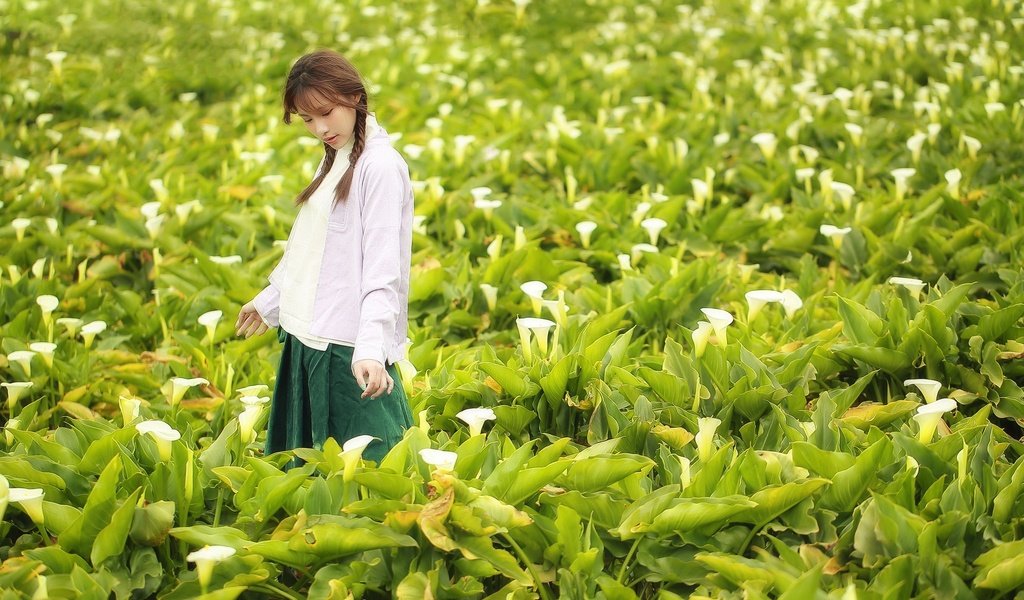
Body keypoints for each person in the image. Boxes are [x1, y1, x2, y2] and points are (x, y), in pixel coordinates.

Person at [234, 49, 414, 467]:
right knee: (313, 479)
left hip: (346, 348)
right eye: (307, 120)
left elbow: (383, 271)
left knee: (377, 473)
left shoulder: (380, 167)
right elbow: (314, 248)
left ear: (354, 96)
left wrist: (371, 348)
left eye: (326, 112)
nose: (319, 128)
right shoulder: (338, 156)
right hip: (308, 339)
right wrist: (272, 300)